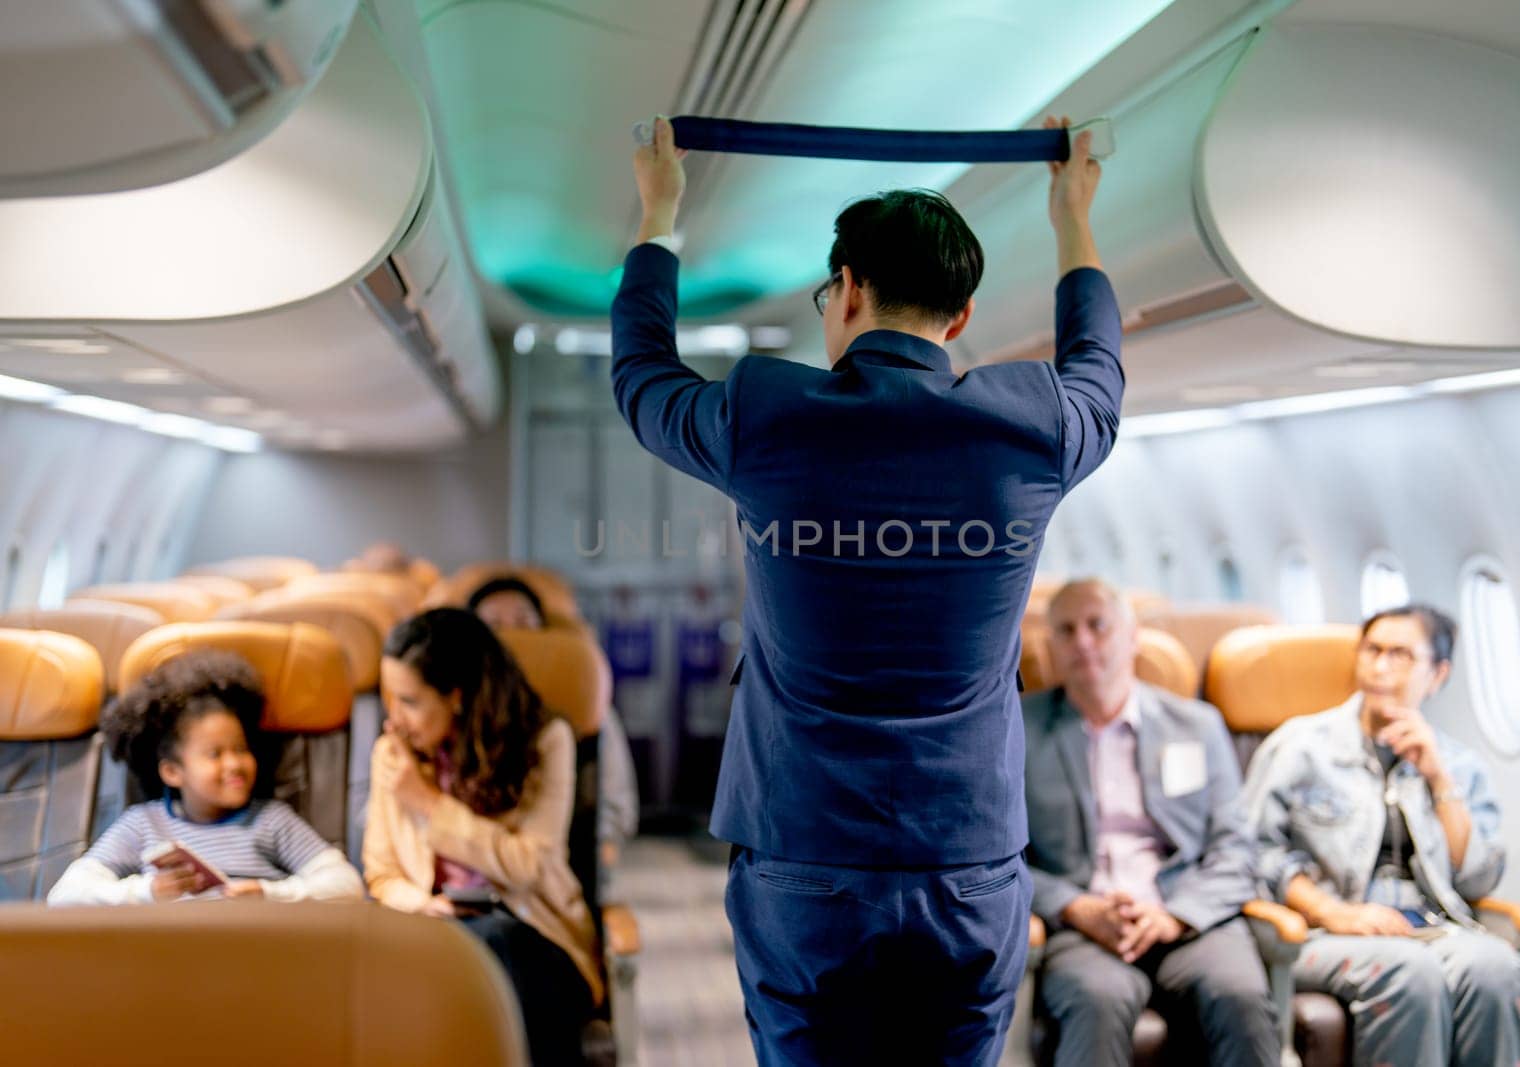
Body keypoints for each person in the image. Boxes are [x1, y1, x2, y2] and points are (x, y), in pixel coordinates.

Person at [611, 115, 1123, 1065]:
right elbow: (1099, 370)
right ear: (960, 315)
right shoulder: (1035, 425)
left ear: (844, 290)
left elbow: (642, 376)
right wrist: (1072, 217)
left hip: (804, 851)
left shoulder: (766, 413)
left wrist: (661, 211)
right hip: (968, 856)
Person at [1240, 604, 1520, 1067]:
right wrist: (1336, 913)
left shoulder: (1457, 765)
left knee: (1498, 968)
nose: (1380, 668)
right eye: (1372, 651)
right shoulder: (1300, 747)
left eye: (1400, 655)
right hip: (1322, 933)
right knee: (1409, 972)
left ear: (1437, 674)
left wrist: (1439, 780)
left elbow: (1477, 881)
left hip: (1428, 927)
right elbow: (1254, 854)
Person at [1023, 580, 1277, 1065]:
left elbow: (1236, 849)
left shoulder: (1196, 725)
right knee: (1097, 998)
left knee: (1239, 995)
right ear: (1051, 646)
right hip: (1082, 925)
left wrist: (1171, 916)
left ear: (1132, 636)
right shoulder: (1021, 729)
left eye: (1098, 625)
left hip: (1188, 916)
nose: (1083, 641)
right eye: (1066, 630)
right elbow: (998, 860)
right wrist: (1076, 907)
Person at [364, 608, 602, 1066]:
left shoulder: (545, 742)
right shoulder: (391, 756)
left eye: (410, 701)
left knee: (495, 943)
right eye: (389, 699)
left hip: (534, 935)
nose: (395, 719)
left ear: (456, 696)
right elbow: (381, 873)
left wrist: (428, 803)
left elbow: (529, 865)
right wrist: (424, 905)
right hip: (432, 933)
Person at [48, 650, 363, 905]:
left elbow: (346, 884)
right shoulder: (142, 825)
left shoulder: (271, 821)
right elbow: (65, 897)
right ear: (172, 771)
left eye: (241, 749)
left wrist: (269, 894)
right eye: (215, 754)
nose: (234, 764)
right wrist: (147, 893)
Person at [468, 575, 640, 874]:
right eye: (495, 624)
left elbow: (618, 802)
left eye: (523, 623)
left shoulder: (580, 702)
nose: (513, 637)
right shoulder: (450, 704)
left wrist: (600, 862)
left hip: (551, 872)